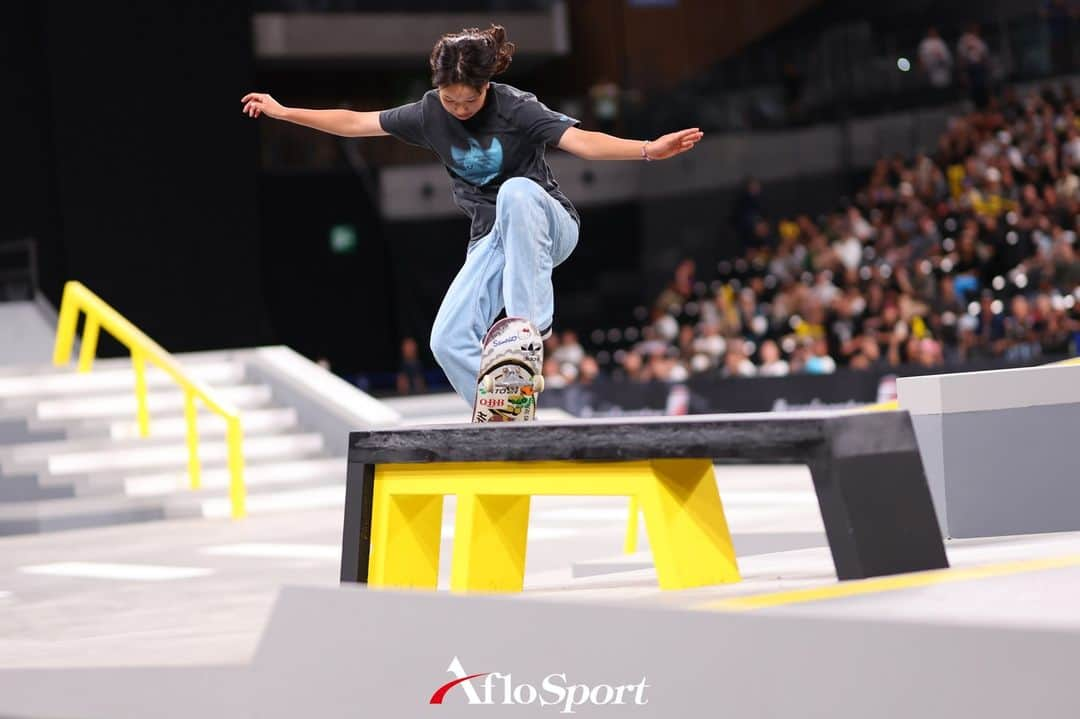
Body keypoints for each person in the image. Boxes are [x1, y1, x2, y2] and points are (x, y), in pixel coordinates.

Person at [242, 25, 702, 405]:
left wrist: (646, 149)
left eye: (470, 101)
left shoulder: (517, 107)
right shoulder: (427, 113)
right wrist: (284, 113)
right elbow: (357, 122)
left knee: (516, 193)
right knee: (447, 338)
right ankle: (506, 410)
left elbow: (582, 142)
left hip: (548, 224)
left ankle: (526, 334)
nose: (460, 111)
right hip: (492, 240)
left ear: (487, 86)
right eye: (451, 102)